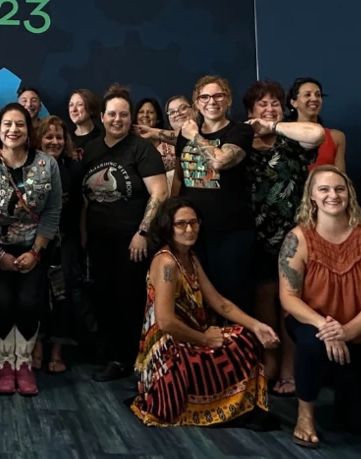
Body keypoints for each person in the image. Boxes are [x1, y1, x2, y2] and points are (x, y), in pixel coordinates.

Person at [278, 165, 361, 447]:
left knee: (359, 423)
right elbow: (289, 297)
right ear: (312, 196)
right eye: (324, 189)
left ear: (349, 194)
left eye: (339, 189)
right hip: (313, 323)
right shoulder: (298, 238)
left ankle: (339, 376)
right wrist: (325, 327)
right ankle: (305, 415)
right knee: (312, 342)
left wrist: (346, 331)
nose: (333, 195)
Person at [132, 198, 278, 426]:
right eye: (181, 224)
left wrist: (257, 325)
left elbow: (221, 303)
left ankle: (230, 404)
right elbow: (165, 321)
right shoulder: (167, 263)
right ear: (167, 227)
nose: (189, 229)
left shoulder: (190, 257)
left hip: (191, 339)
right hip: (168, 351)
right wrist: (205, 339)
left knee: (246, 337)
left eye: (193, 222)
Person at [0, 103, 63, 396]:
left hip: (35, 249)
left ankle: (23, 363)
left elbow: (53, 210)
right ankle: (4, 364)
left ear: (28, 129)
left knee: (28, 303)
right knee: (1, 303)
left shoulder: (47, 164)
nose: (14, 130)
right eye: (7, 124)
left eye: (20, 124)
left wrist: (36, 252)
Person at [242, 79, 326, 396]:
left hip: (294, 236)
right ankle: (270, 361)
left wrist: (274, 126)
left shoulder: (292, 140)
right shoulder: (241, 142)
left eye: (274, 103)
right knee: (264, 300)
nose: (269, 108)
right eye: (262, 104)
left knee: (291, 304)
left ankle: (291, 369)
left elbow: (316, 134)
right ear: (250, 111)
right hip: (255, 234)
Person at [82, 84, 169, 382]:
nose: (116, 119)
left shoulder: (141, 148)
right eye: (111, 114)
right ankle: (113, 355)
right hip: (98, 239)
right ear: (102, 117)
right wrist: (84, 235)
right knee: (103, 297)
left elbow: (160, 193)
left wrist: (142, 232)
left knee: (129, 299)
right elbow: (84, 197)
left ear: (130, 118)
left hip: (132, 240)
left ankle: (130, 359)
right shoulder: (91, 149)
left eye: (123, 114)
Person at [173, 76, 257, 312]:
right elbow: (179, 176)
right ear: (196, 103)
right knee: (198, 299)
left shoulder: (240, 131)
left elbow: (219, 161)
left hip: (231, 232)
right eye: (205, 97)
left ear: (228, 100)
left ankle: (239, 338)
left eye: (218, 95)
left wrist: (195, 136)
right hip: (193, 232)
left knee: (234, 298)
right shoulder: (184, 135)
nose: (212, 101)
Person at [36, 116, 87, 373]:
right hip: (35, 240)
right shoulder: (29, 165)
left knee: (63, 293)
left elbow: (81, 206)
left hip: (65, 239)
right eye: (49, 136)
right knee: (36, 292)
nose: (54, 141)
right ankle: (36, 346)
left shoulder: (74, 168)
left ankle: (57, 350)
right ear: (39, 139)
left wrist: (82, 239)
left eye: (59, 137)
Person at [287, 77, 345, 172]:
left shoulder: (336, 137)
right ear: (294, 102)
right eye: (307, 95)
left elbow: (340, 176)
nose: (314, 99)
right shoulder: (282, 136)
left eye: (318, 95)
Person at [134, 97, 177, 190]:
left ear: (158, 118)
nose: (145, 115)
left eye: (150, 112)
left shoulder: (170, 144)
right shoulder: (130, 146)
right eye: (141, 112)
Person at [67, 88, 102, 159]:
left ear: (91, 109)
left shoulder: (102, 139)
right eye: (71, 105)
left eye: (79, 104)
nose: (74, 109)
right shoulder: (66, 139)